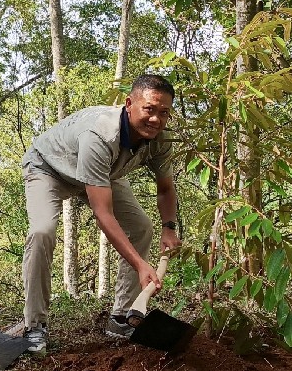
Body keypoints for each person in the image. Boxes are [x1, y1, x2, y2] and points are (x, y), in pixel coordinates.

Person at [20, 74, 181, 352]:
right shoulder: (100, 134)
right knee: (42, 231)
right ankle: (34, 325)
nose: (156, 119)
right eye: (149, 109)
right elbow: (103, 214)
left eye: (164, 112)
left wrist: (169, 227)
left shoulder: (161, 139)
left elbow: (165, 189)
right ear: (129, 104)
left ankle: (121, 318)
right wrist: (140, 265)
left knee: (141, 226)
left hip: (102, 175)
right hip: (50, 168)